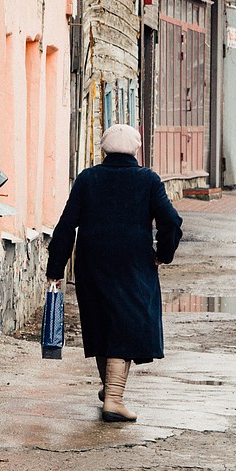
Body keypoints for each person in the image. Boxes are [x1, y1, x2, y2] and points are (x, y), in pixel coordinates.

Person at [45, 123, 183, 424]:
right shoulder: (148, 180)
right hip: (133, 265)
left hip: (91, 265)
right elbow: (171, 222)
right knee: (126, 326)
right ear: (136, 150)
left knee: (102, 323)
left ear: (104, 149)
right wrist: (163, 254)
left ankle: (110, 388)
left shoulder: (88, 179)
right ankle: (114, 400)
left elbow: (66, 225)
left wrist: (55, 268)